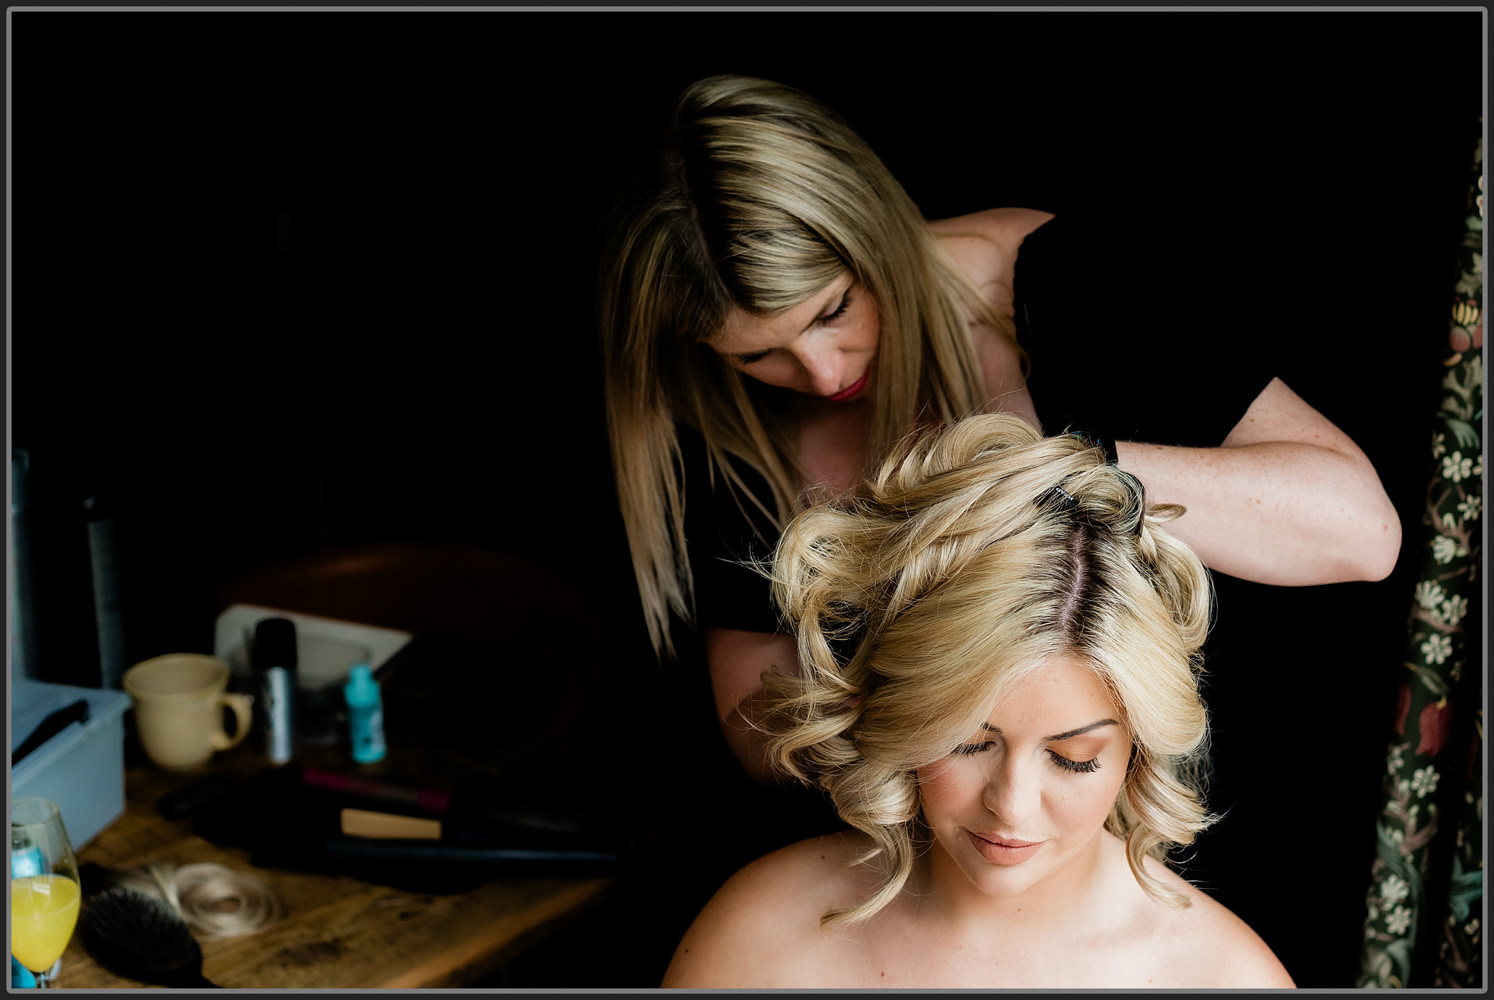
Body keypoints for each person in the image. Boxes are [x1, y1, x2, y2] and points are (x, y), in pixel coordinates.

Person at [597, 74, 1400, 782]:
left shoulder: (1063, 282)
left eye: (835, 309)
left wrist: (1048, 477)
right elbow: (750, 727)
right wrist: (918, 709)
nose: (824, 373)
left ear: (875, 221)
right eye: (760, 355)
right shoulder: (720, 417)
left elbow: (1359, 533)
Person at [660, 413, 1295, 988]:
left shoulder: (1225, 980)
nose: (1010, 806)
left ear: (1136, 748)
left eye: (1074, 757)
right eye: (967, 742)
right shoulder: (758, 942)